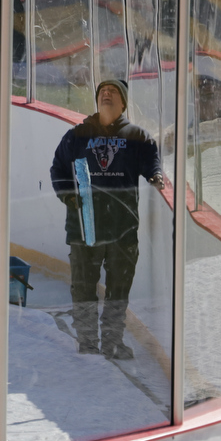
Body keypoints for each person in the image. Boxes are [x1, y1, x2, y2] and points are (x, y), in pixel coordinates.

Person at [48, 78, 165, 359]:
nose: (107, 94)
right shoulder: (77, 135)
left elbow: (152, 160)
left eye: (113, 92)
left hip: (122, 227)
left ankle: (113, 341)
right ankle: (87, 341)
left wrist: (155, 176)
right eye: (103, 92)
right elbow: (58, 168)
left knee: (119, 287)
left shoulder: (137, 136)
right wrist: (68, 196)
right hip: (83, 226)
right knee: (84, 287)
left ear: (123, 102)